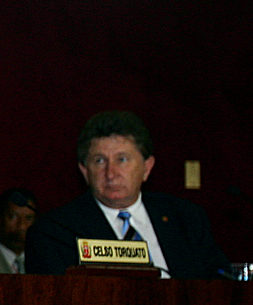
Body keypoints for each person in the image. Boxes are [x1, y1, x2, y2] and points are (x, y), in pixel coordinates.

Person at [25, 111, 227, 278]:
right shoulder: (55, 232)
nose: (111, 173)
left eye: (122, 160)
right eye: (99, 161)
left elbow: (221, 280)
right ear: (85, 171)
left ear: (147, 168)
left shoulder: (186, 219)